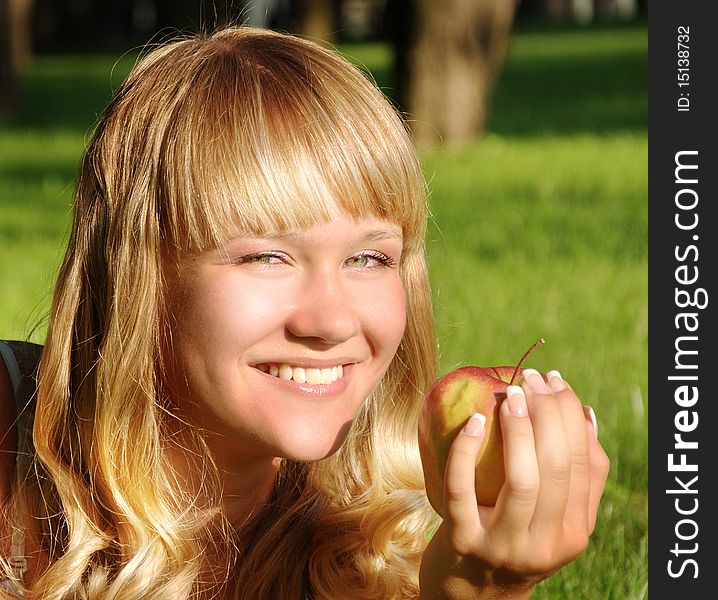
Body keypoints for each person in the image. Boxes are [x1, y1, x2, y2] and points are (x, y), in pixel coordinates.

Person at [0, 26, 609, 599]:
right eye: (267, 257)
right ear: (138, 277)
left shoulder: (369, 536)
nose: (333, 321)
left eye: (368, 258)